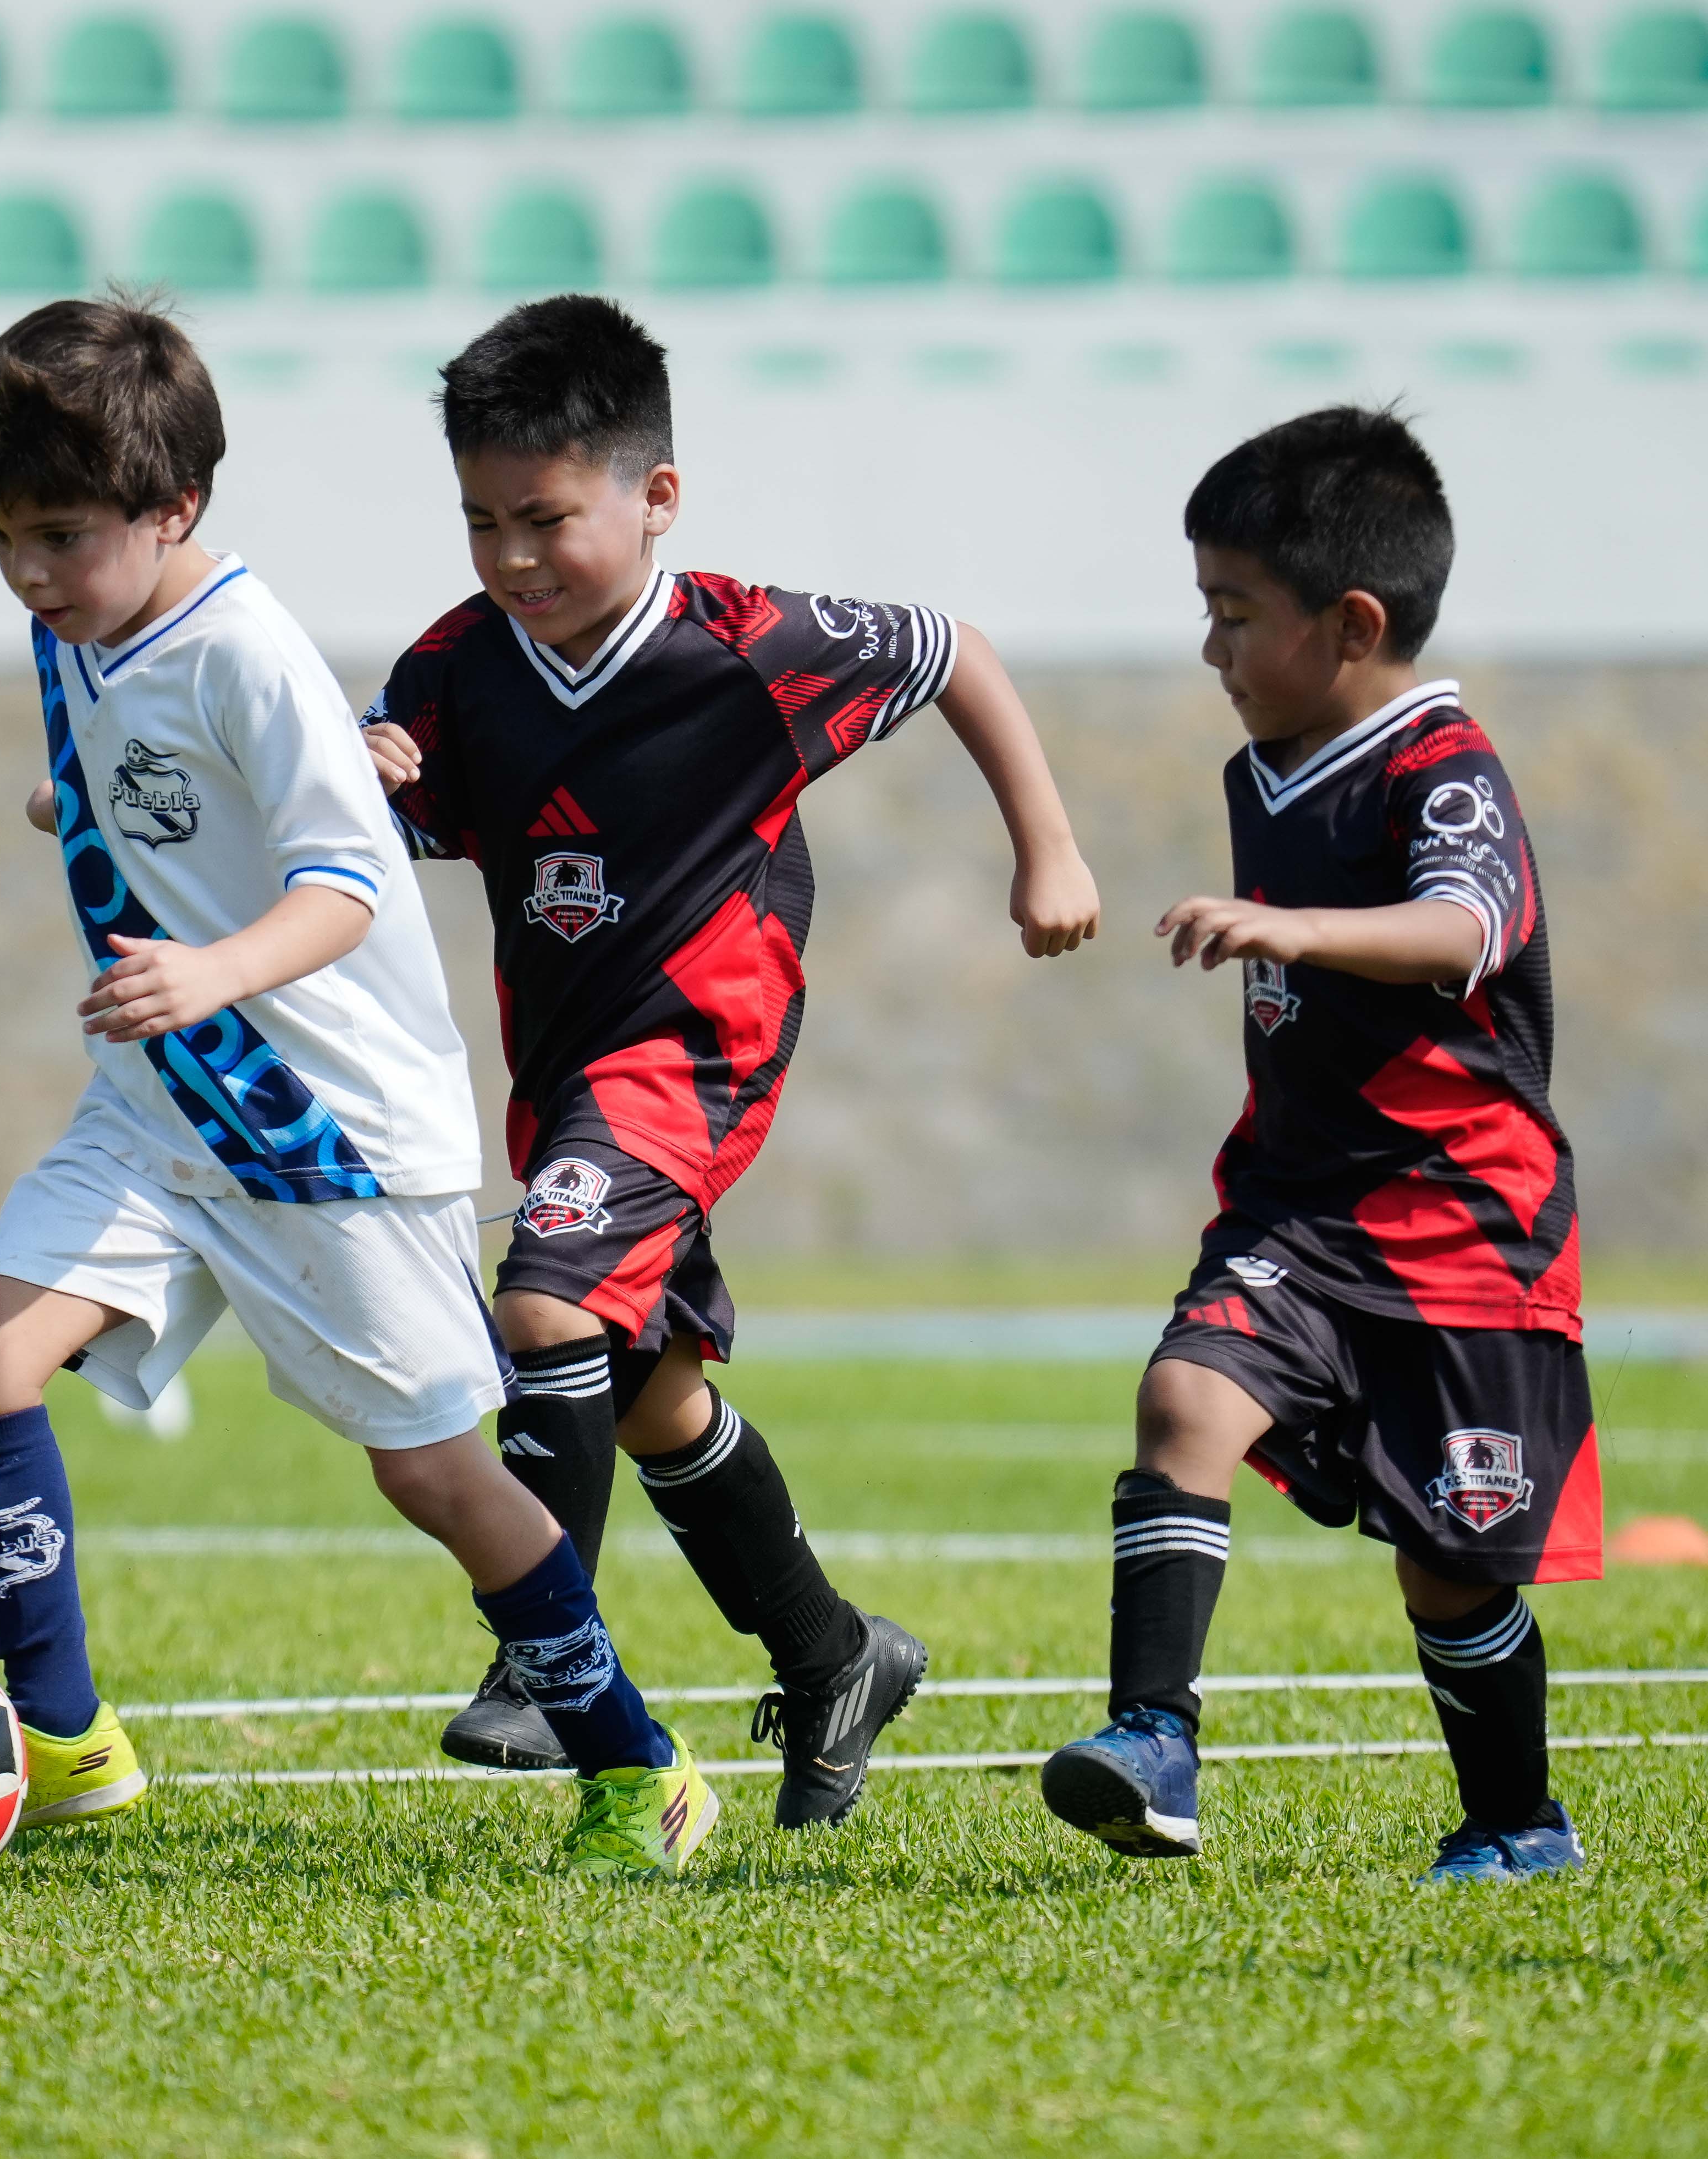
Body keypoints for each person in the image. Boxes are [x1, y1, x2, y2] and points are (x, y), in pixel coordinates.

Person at [0, 295, 715, 1877]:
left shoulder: (250, 655)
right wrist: (77, 805)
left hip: (322, 1138)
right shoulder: (80, 621)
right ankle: (69, 1752)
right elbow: (135, 775)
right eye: (2, 536)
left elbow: (349, 881)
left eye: (58, 536)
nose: (25, 570)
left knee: (431, 1473)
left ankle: (640, 1768)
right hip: (156, 1112)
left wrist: (212, 969)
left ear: (173, 512)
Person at [362, 295, 1104, 1826]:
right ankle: (835, 1658)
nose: (509, 558)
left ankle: (534, 1659)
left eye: (545, 520)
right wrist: (346, 780)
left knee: (545, 1303)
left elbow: (953, 649)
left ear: (657, 499)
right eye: (480, 521)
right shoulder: (457, 667)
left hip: (695, 1052)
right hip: (561, 1071)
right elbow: (352, 824)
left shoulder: (750, 648)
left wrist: (1048, 846)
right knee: (645, 1391)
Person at [1038, 405, 1596, 1884]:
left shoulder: (1445, 767)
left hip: (1467, 1229)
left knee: (1454, 1569)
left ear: (1352, 624)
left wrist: (1298, 928)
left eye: (1235, 614)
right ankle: (1154, 1739)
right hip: (1296, 1214)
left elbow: (1464, 928)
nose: (1212, 649)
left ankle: (1517, 1820)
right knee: (1185, 1399)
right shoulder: (1265, 768)